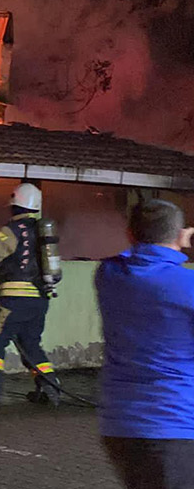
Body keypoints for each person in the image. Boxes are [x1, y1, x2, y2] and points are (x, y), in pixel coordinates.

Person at [96, 199, 194, 489]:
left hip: (119, 425)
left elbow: (138, 257)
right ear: (181, 235)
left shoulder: (109, 275)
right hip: (171, 424)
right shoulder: (186, 285)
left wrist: (172, 239)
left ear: (129, 234)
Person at [0, 182, 61, 406]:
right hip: (39, 300)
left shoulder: (10, 230)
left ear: (13, 205)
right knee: (30, 343)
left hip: (13, 300)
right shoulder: (41, 233)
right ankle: (50, 387)